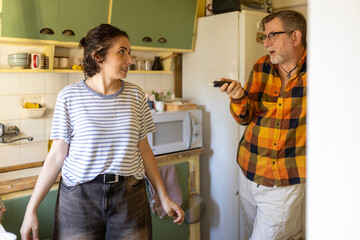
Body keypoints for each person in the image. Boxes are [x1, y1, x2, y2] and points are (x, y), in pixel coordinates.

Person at [20, 24, 184, 240]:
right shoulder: (69, 96)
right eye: (122, 52)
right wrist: (31, 210)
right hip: (79, 198)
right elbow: (56, 156)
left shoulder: (136, 95)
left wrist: (163, 197)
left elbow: (144, 149)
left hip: (129, 196)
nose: (130, 60)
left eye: (130, 52)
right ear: (98, 56)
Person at [219, 10, 307, 239]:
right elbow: (244, 117)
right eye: (264, 37)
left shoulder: (322, 73)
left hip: (284, 182)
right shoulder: (261, 66)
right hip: (248, 169)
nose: (266, 43)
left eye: (272, 36)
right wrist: (238, 97)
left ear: (295, 37)